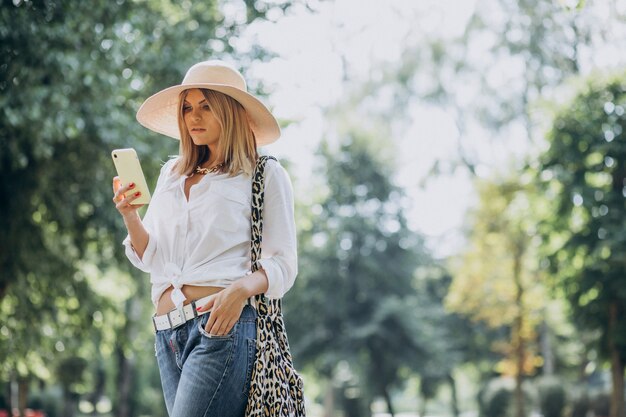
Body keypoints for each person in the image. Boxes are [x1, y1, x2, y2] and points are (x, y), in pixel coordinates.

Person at [112, 60, 297, 417]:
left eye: (206, 106)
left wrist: (239, 290)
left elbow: (284, 265)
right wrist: (130, 215)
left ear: (229, 112)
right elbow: (151, 256)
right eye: (187, 107)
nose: (193, 117)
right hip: (167, 336)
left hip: (219, 327)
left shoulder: (263, 173)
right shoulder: (171, 173)